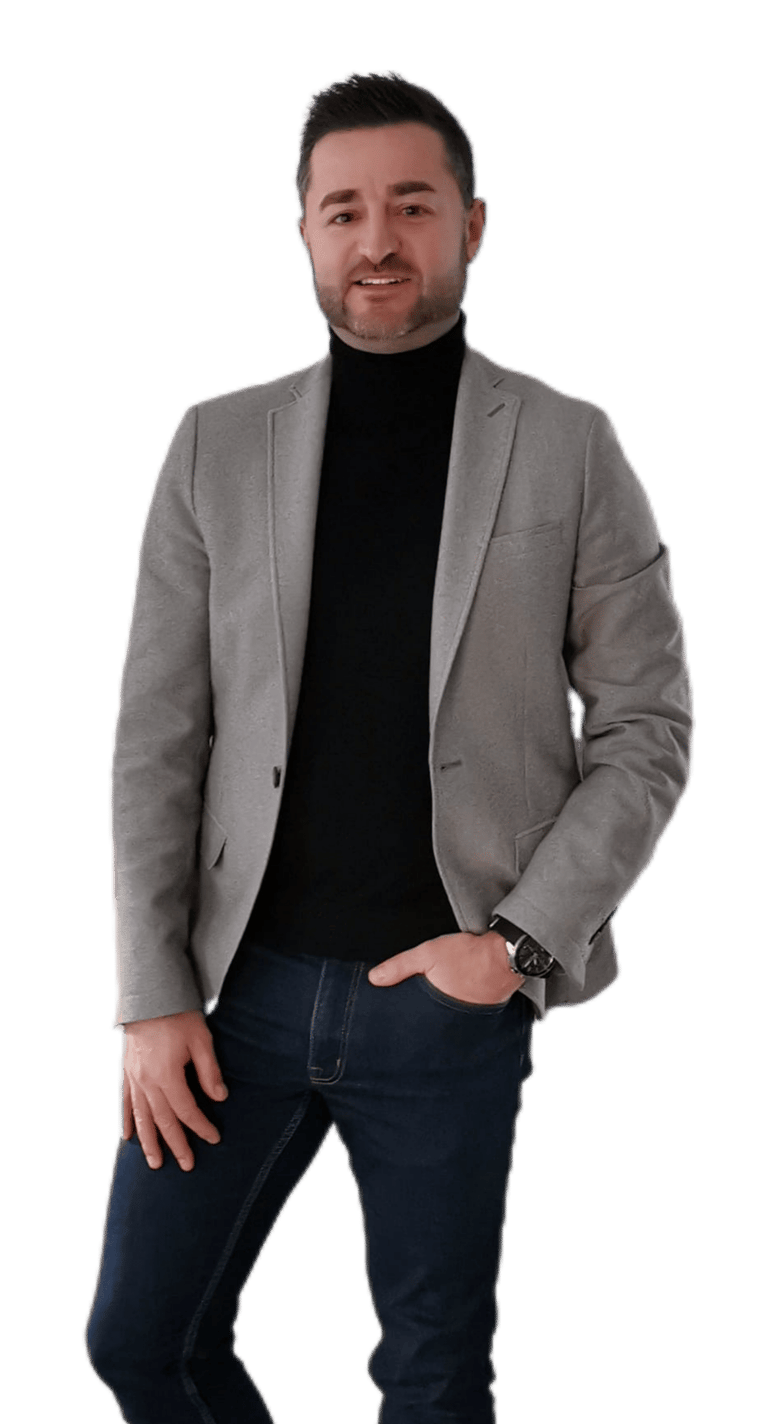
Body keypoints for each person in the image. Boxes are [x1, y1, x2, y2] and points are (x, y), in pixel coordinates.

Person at [84, 68, 694, 1424]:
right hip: (230, 996)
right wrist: (149, 995)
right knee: (137, 1342)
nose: (377, 240)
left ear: (473, 224)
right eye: (344, 209)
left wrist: (517, 946)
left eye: (412, 206)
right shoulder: (212, 445)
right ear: (303, 230)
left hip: (448, 1000)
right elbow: (155, 740)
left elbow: (649, 728)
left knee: (431, 1381)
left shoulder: (572, 444)